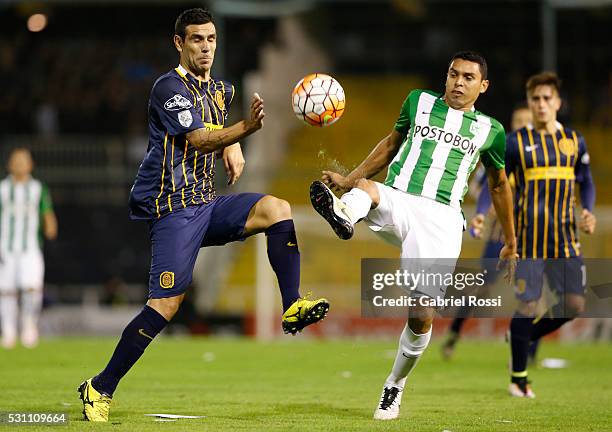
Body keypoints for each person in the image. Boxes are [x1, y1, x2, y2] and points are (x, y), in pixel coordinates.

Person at [78, 8, 329, 422]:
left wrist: (231, 144)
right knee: (166, 307)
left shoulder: (219, 90)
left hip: (206, 204)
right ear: (179, 43)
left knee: (276, 209)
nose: (206, 47)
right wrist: (243, 132)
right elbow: (197, 137)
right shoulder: (168, 88)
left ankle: (292, 304)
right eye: (197, 39)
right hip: (172, 209)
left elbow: (214, 124)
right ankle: (99, 387)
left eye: (211, 39)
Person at [309, 51, 517, 420]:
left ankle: (394, 385)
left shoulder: (492, 130)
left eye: (468, 77)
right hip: (399, 199)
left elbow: (500, 186)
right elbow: (390, 144)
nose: (458, 82)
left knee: (421, 314)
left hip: (441, 219)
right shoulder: (418, 101)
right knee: (367, 188)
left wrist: (512, 242)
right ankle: (344, 215)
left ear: (483, 86)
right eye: (453, 74)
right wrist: (348, 178)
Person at [475, 72, 595, 398]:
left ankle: (524, 336)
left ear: (557, 102)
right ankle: (518, 377)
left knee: (573, 306)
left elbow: (585, 180)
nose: (541, 105)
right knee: (527, 306)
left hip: (566, 240)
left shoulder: (574, 141)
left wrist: (587, 209)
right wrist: (489, 218)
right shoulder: (515, 143)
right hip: (528, 242)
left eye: (546, 99)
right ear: (530, 103)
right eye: (535, 99)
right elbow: (495, 184)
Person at [442, 105, 533, 361]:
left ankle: (530, 350)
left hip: (530, 236)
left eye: (528, 121)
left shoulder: (540, 159)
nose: (524, 125)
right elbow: (476, 187)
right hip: (498, 238)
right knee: (480, 290)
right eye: (519, 120)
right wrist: (485, 211)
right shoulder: (500, 155)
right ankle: (455, 332)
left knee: (533, 294)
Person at [0, 148, 57, 349]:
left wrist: (51, 224)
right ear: (9, 164)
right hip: (5, 249)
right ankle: (8, 330)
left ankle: (29, 325)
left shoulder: (37, 189)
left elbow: (46, 212)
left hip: (30, 248)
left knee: (31, 289)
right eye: (16, 161)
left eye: (23, 161)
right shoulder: (2, 189)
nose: (19, 164)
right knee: (5, 291)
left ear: (31, 164)